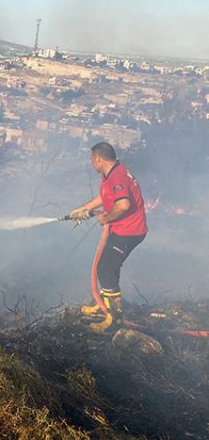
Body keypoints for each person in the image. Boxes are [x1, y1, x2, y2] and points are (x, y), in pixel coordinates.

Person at [68, 142, 148, 334]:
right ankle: (103, 305)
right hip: (122, 229)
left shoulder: (118, 176)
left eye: (91, 160)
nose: (91, 164)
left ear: (98, 159)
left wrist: (105, 218)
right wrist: (83, 209)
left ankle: (115, 320)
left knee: (106, 269)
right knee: (104, 264)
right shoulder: (111, 173)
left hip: (130, 231)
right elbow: (105, 197)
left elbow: (123, 205)